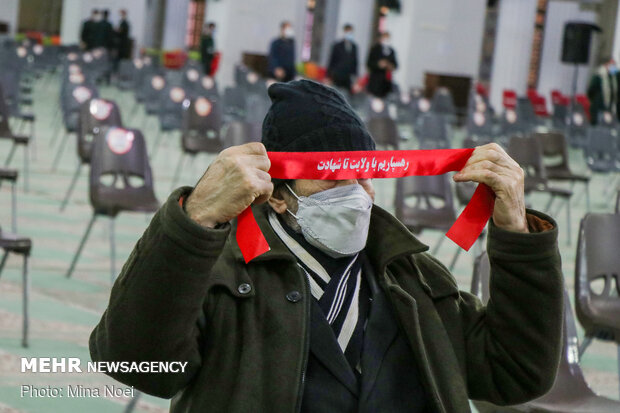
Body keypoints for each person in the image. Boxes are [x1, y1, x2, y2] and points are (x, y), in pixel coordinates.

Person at [90, 80, 563, 412]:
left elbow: (516, 372)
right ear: (276, 193)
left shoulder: (413, 279)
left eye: (363, 174)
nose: (354, 192)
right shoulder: (225, 279)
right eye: (332, 175)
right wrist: (193, 222)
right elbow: (132, 361)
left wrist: (517, 236)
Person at [587, 56, 620, 124]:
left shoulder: (614, 77)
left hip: (610, 107)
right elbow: (591, 91)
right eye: (612, 64)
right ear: (606, 65)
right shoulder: (599, 75)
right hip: (599, 106)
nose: (614, 67)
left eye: (614, 65)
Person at [327, 23, 359, 91]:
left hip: (348, 77)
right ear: (344, 32)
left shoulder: (354, 47)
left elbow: (355, 62)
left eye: (350, 32)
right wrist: (328, 76)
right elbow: (332, 60)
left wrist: (355, 77)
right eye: (347, 32)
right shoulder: (337, 46)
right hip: (337, 75)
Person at [366, 31, 398, 98]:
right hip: (375, 81)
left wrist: (390, 66)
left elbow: (395, 65)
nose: (386, 41)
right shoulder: (375, 49)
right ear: (381, 39)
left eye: (388, 39)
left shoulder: (391, 51)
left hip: (386, 82)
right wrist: (378, 64)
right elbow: (369, 63)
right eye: (385, 38)